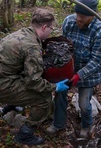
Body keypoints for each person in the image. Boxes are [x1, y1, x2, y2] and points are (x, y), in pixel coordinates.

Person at [0, 8, 69, 145]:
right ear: (44, 27)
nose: (51, 32)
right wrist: (55, 86)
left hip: (5, 77)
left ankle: (10, 106)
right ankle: (25, 134)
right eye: (51, 29)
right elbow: (33, 82)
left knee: (20, 76)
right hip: (3, 85)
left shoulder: (20, 33)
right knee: (44, 98)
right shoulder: (32, 46)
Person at [46, 0, 101, 138]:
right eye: (77, 14)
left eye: (83, 16)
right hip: (68, 68)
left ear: (93, 15)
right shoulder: (69, 21)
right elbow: (63, 47)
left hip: (89, 73)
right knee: (59, 94)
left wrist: (78, 76)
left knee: (84, 104)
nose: (78, 19)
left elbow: (97, 61)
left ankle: (86, 125)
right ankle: (58, 124)